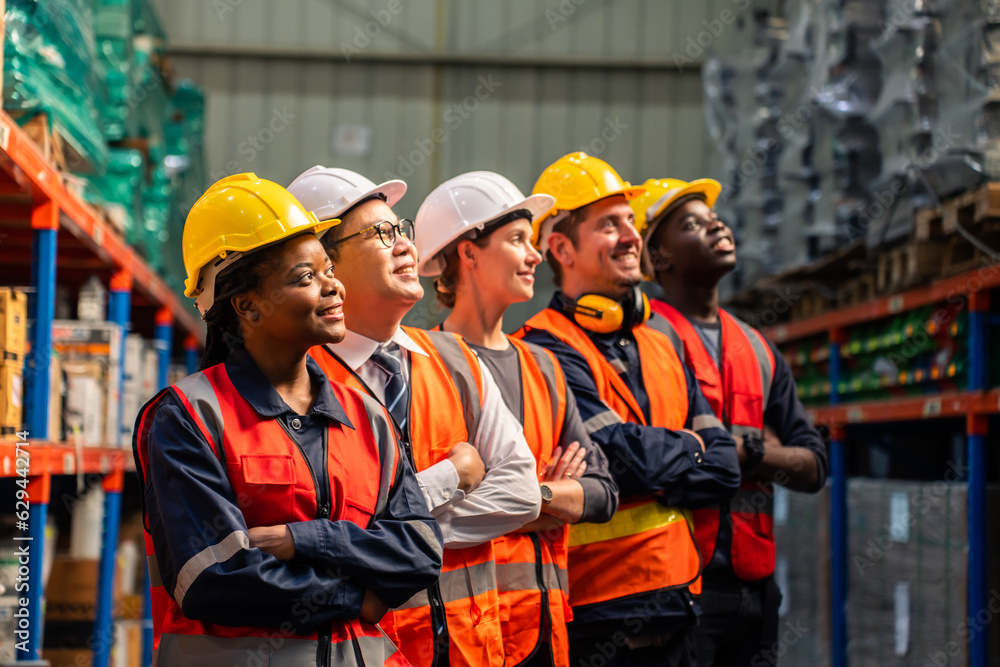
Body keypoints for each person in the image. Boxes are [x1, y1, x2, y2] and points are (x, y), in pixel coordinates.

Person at [133, 173, 443, 667]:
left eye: (328, 269)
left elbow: (419, 550)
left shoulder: (366, 416)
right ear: (248, 306)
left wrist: (304, 539)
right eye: (306, 277)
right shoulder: (189, 417)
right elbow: (212, 577)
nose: (333, 286)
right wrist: (356, 598)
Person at [288, 166, 541, 667]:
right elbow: (317, 533)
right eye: (382, 234)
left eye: (401, 229)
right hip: (373, 652)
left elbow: (521, 492)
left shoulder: (456, 360)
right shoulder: (300, 383)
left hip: (475, 650)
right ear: (326, 265)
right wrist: (455, 477)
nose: (407, 246)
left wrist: (390, 536)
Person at [518, 153, 742, 667]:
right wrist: (691, 451)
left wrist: (658, 458)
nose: (631, 235)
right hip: (597, 617)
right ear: (561, 248)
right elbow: (613, 461)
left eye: (629, 221)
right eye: (609, 225)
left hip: (682, 604)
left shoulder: (662, 337)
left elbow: (726, 467)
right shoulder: (541, 349)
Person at [413, 171, 620, 667]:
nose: (534, 256)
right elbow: (426, 508)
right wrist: (547, 499)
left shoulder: (544, 365)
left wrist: (524, 496)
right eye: (517, 240)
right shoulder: (424, 364)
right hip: (466, 633)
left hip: (547, 625)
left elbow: (603, 492)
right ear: (468, 251)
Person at [630, 178, 829, 667]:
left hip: (758, 590)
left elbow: (815, 467)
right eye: (692, 224)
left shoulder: (759, 349)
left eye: (714, 218)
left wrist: (748, 452)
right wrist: (762, 451)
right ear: (659, 258)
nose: (717, 224)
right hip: (678, 590)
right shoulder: (641, 342)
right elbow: (653, 462)